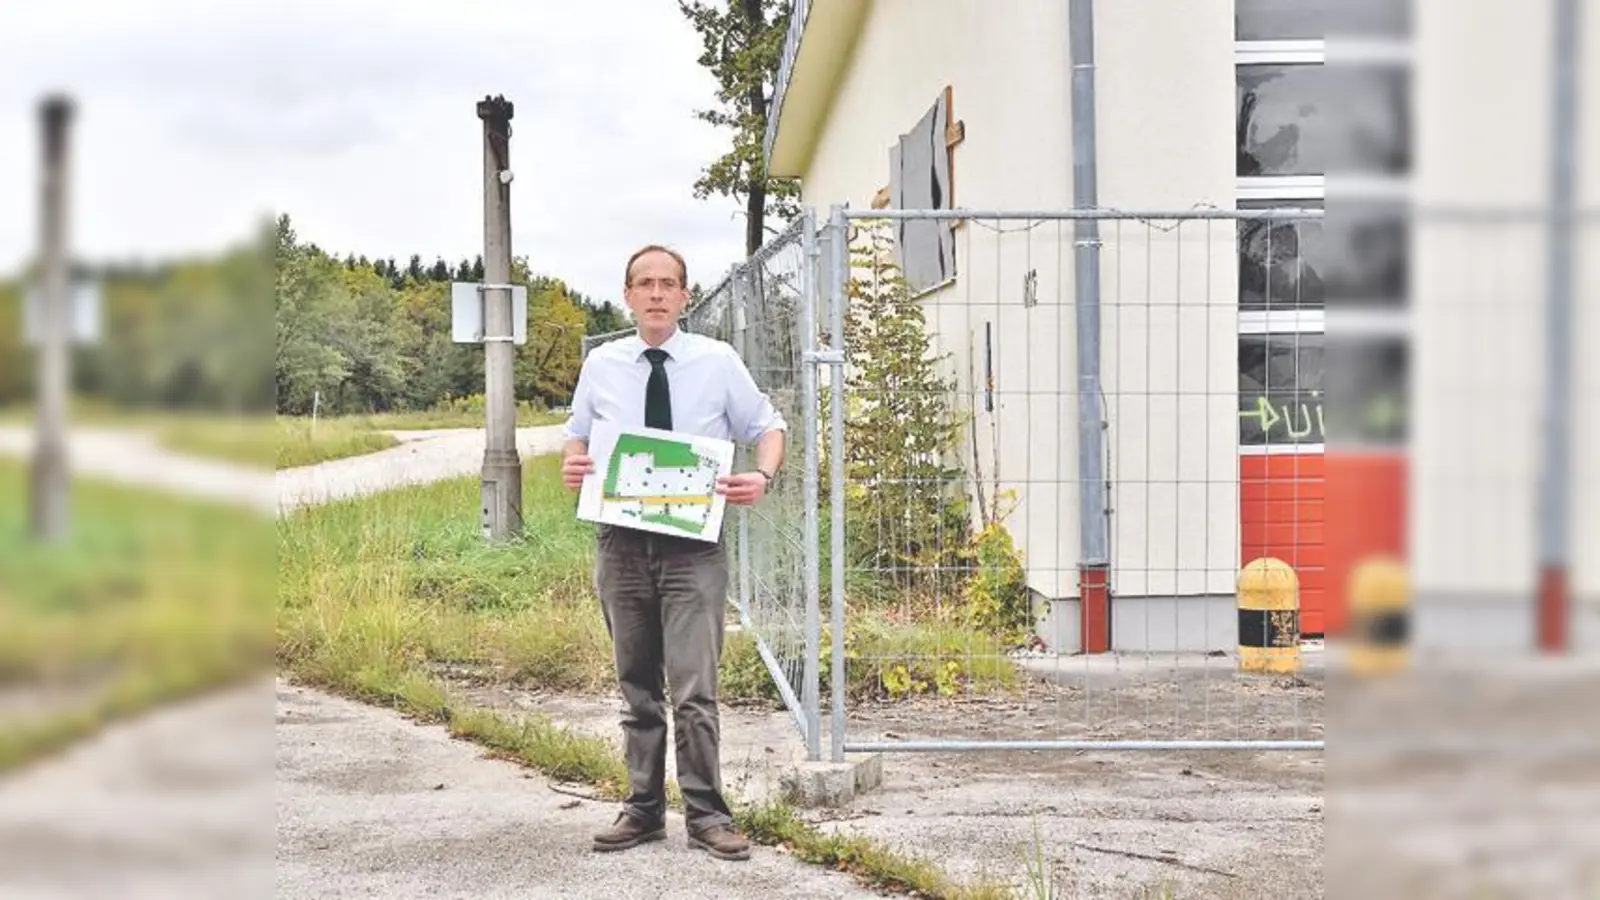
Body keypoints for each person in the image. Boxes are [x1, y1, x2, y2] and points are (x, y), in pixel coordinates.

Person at [560, 244, 787, 862]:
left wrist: (761, 476)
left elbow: (768, 426)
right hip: (622, 545)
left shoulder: (717, 361)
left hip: (693, 548)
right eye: (644, 284)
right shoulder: (602, 364)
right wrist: (574, 467)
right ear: (627, 295)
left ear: (686, 296)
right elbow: (578, 437)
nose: (656, 293)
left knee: (694, 688)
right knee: (637, 684)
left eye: (668, 284)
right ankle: (642, 809)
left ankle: (708, 814)